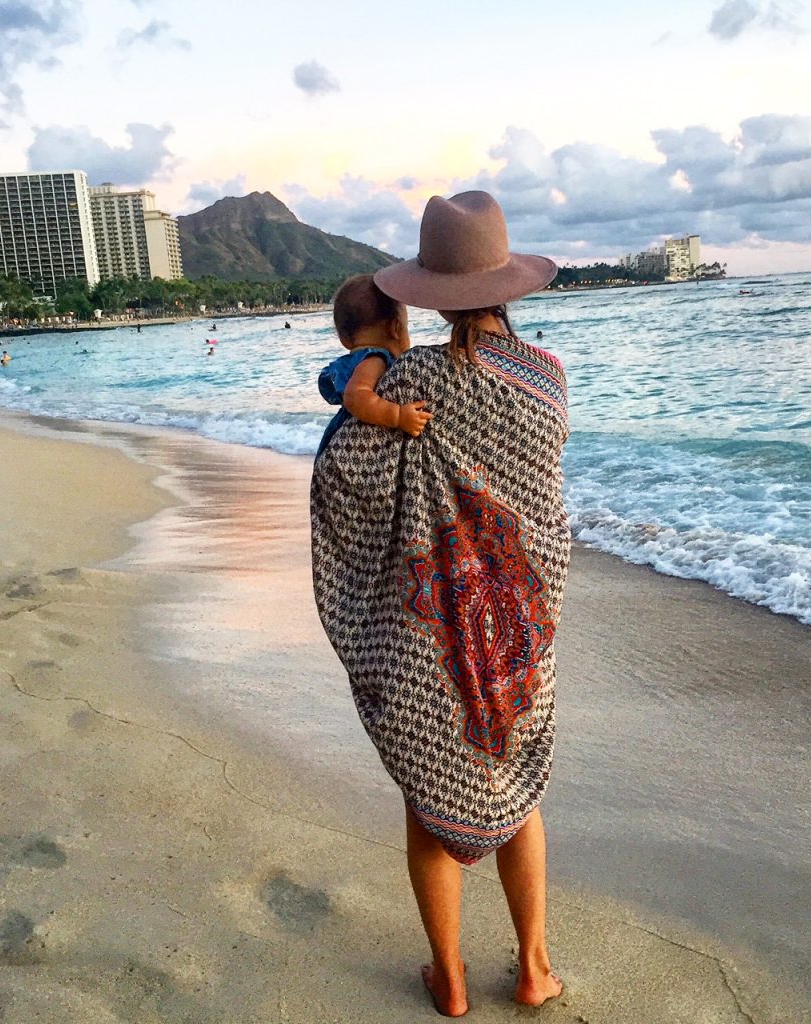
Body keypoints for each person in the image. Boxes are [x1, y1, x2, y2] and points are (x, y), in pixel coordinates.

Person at [312, 191, 568, 1017]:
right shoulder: (550, 378)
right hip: (524, 615)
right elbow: (538, 493)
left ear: (426, 292)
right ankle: (532, 969)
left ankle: (451, 978)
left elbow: (344, 474)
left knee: (431, 796)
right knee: (517, 787)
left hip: (431, 630)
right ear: (506, 284)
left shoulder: (409, 375)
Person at [314, 274, 431, 457]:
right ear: (396, 328)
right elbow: (356, 395)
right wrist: (398, 416)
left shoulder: (357, 361)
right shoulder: (375, 360)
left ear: (343, 339)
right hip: (350, 453)